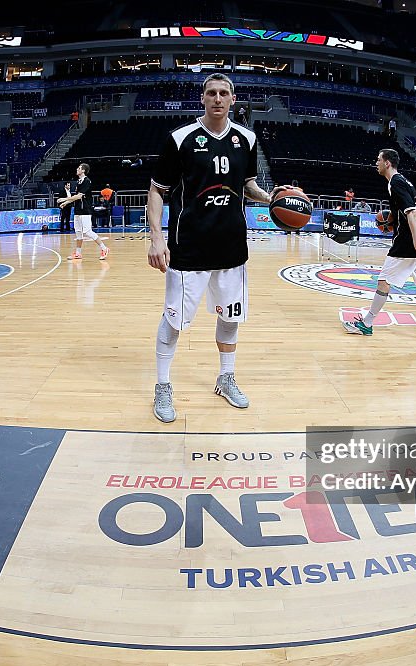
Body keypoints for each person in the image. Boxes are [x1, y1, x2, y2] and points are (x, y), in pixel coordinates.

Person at [147, 72, 292, 423]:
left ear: (232, 99)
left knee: (231, 318)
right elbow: (156, 190)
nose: (217, 98)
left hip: (231, 249)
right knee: (175, 321)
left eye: (223, 93)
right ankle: (162, 386)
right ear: (202, 98)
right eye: (211, 93)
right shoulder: (179, 139)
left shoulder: (247, 137)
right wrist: (156, 238)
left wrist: (270, 197)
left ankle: (225, 378)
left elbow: (248, 185)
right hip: (189, 248)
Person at [343, 148, 416, 345]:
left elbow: (411, 213)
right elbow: (414, 213)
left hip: (408, 244)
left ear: (387, 163)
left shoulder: (395, 183)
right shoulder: (405, 181)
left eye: (378, 160)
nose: (375, 163)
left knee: (383, 281)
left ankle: (367, 323)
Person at [58, 163, 109, 261]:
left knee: (88, 231)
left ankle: (104, 248)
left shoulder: (87, 181)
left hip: (85, 209)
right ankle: (78, 253)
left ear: (83, 170)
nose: (77, 169)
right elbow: (76, 197)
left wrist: (64, 199)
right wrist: (66, 203)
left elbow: (79, 196)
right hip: (78, 210)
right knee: (78, 232)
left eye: (79, 168)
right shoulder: (78, 182)